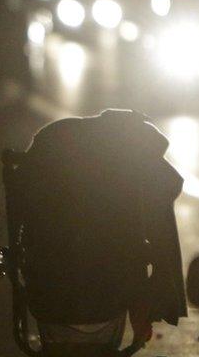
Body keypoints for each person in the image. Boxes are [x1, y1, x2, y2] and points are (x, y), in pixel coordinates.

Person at [13, 109, 187, 343]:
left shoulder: (52, 142)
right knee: (136, 249)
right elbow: (166, 198)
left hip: (49, 290)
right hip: (111, 291)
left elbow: (22, 206)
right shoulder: (127, 168)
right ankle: (138, 326)